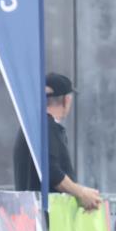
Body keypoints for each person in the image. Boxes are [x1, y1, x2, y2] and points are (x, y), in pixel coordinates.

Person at [13, 73, 101, 211]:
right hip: (45, 219)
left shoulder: (33, 126)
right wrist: (82, 193)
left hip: (31, 216)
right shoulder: (45, 126)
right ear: (67, 100)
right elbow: (52, 172)